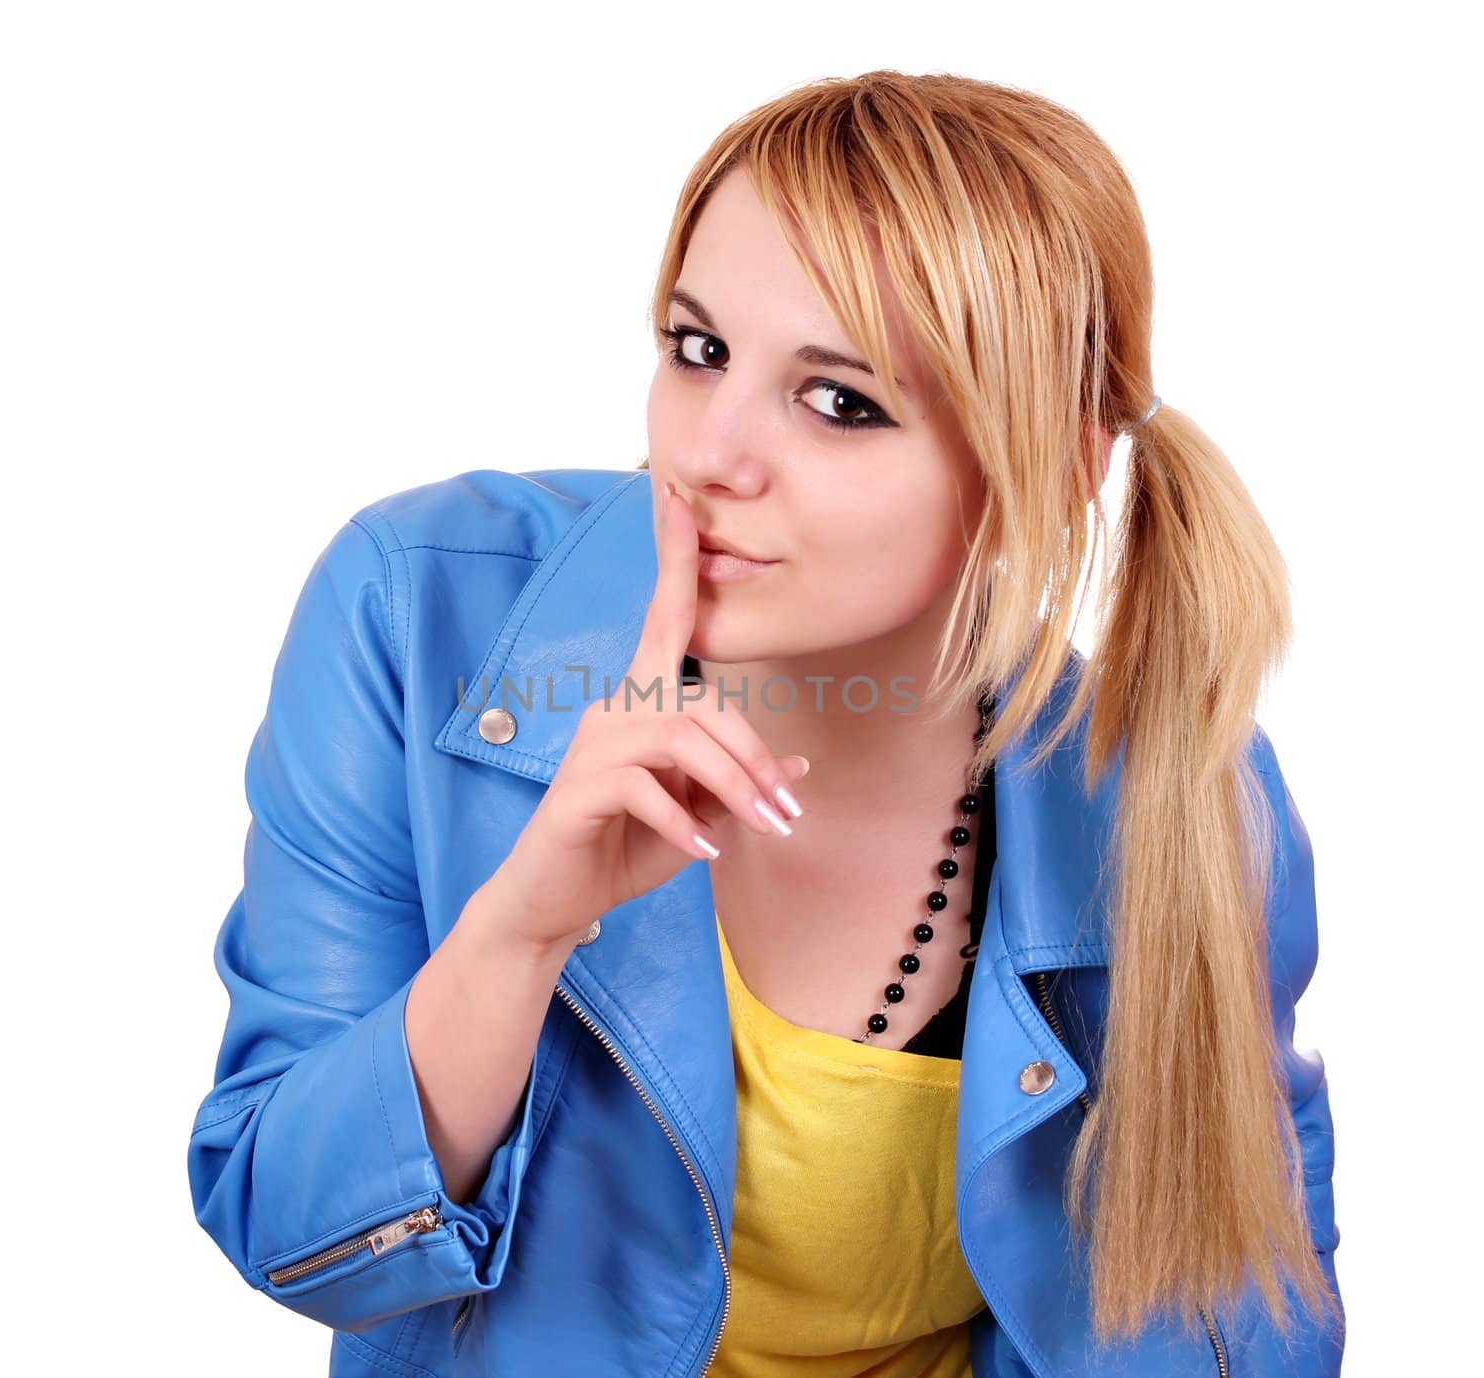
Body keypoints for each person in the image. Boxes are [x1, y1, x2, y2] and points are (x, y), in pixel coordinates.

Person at [187, 70, 1345, 1377]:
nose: (710, 452)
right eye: (698, 349)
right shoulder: (414, 608)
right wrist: (519, 932)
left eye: (840, 400)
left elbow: (1236, 1327)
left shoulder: (1176, 796)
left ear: (1047, 471)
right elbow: (289, 1235)